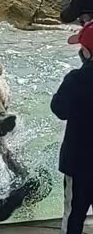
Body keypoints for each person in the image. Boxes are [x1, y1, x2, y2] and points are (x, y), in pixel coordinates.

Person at [51, 21, 93, 234]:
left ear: (86, 52)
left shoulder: (76, 79)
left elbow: (60, 109)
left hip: (78, 164)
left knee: (74, 214)